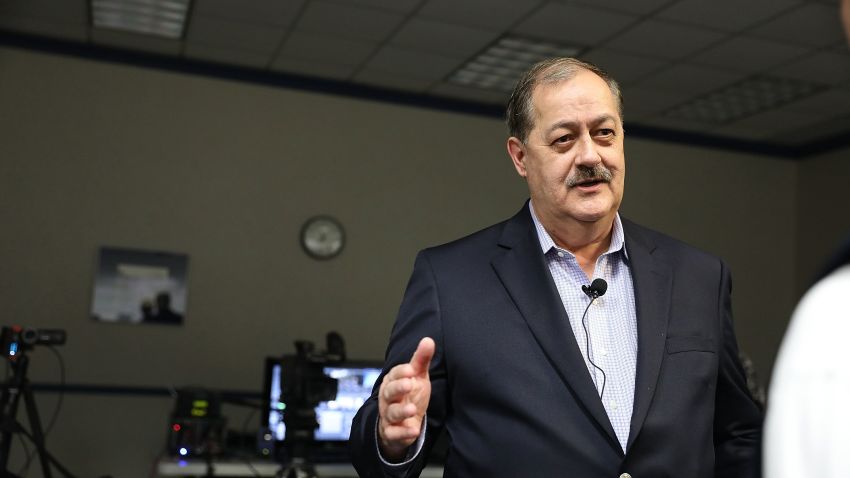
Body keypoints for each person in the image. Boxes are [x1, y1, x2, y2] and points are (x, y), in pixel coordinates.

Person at [350, 57, 762, 477]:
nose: (589, 155)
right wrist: (389, 435)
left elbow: (738, 434)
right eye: (564, 139)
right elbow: (376, 456)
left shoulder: (698, 276)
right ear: (521, 157)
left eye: (604, 133)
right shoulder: (449, 279)